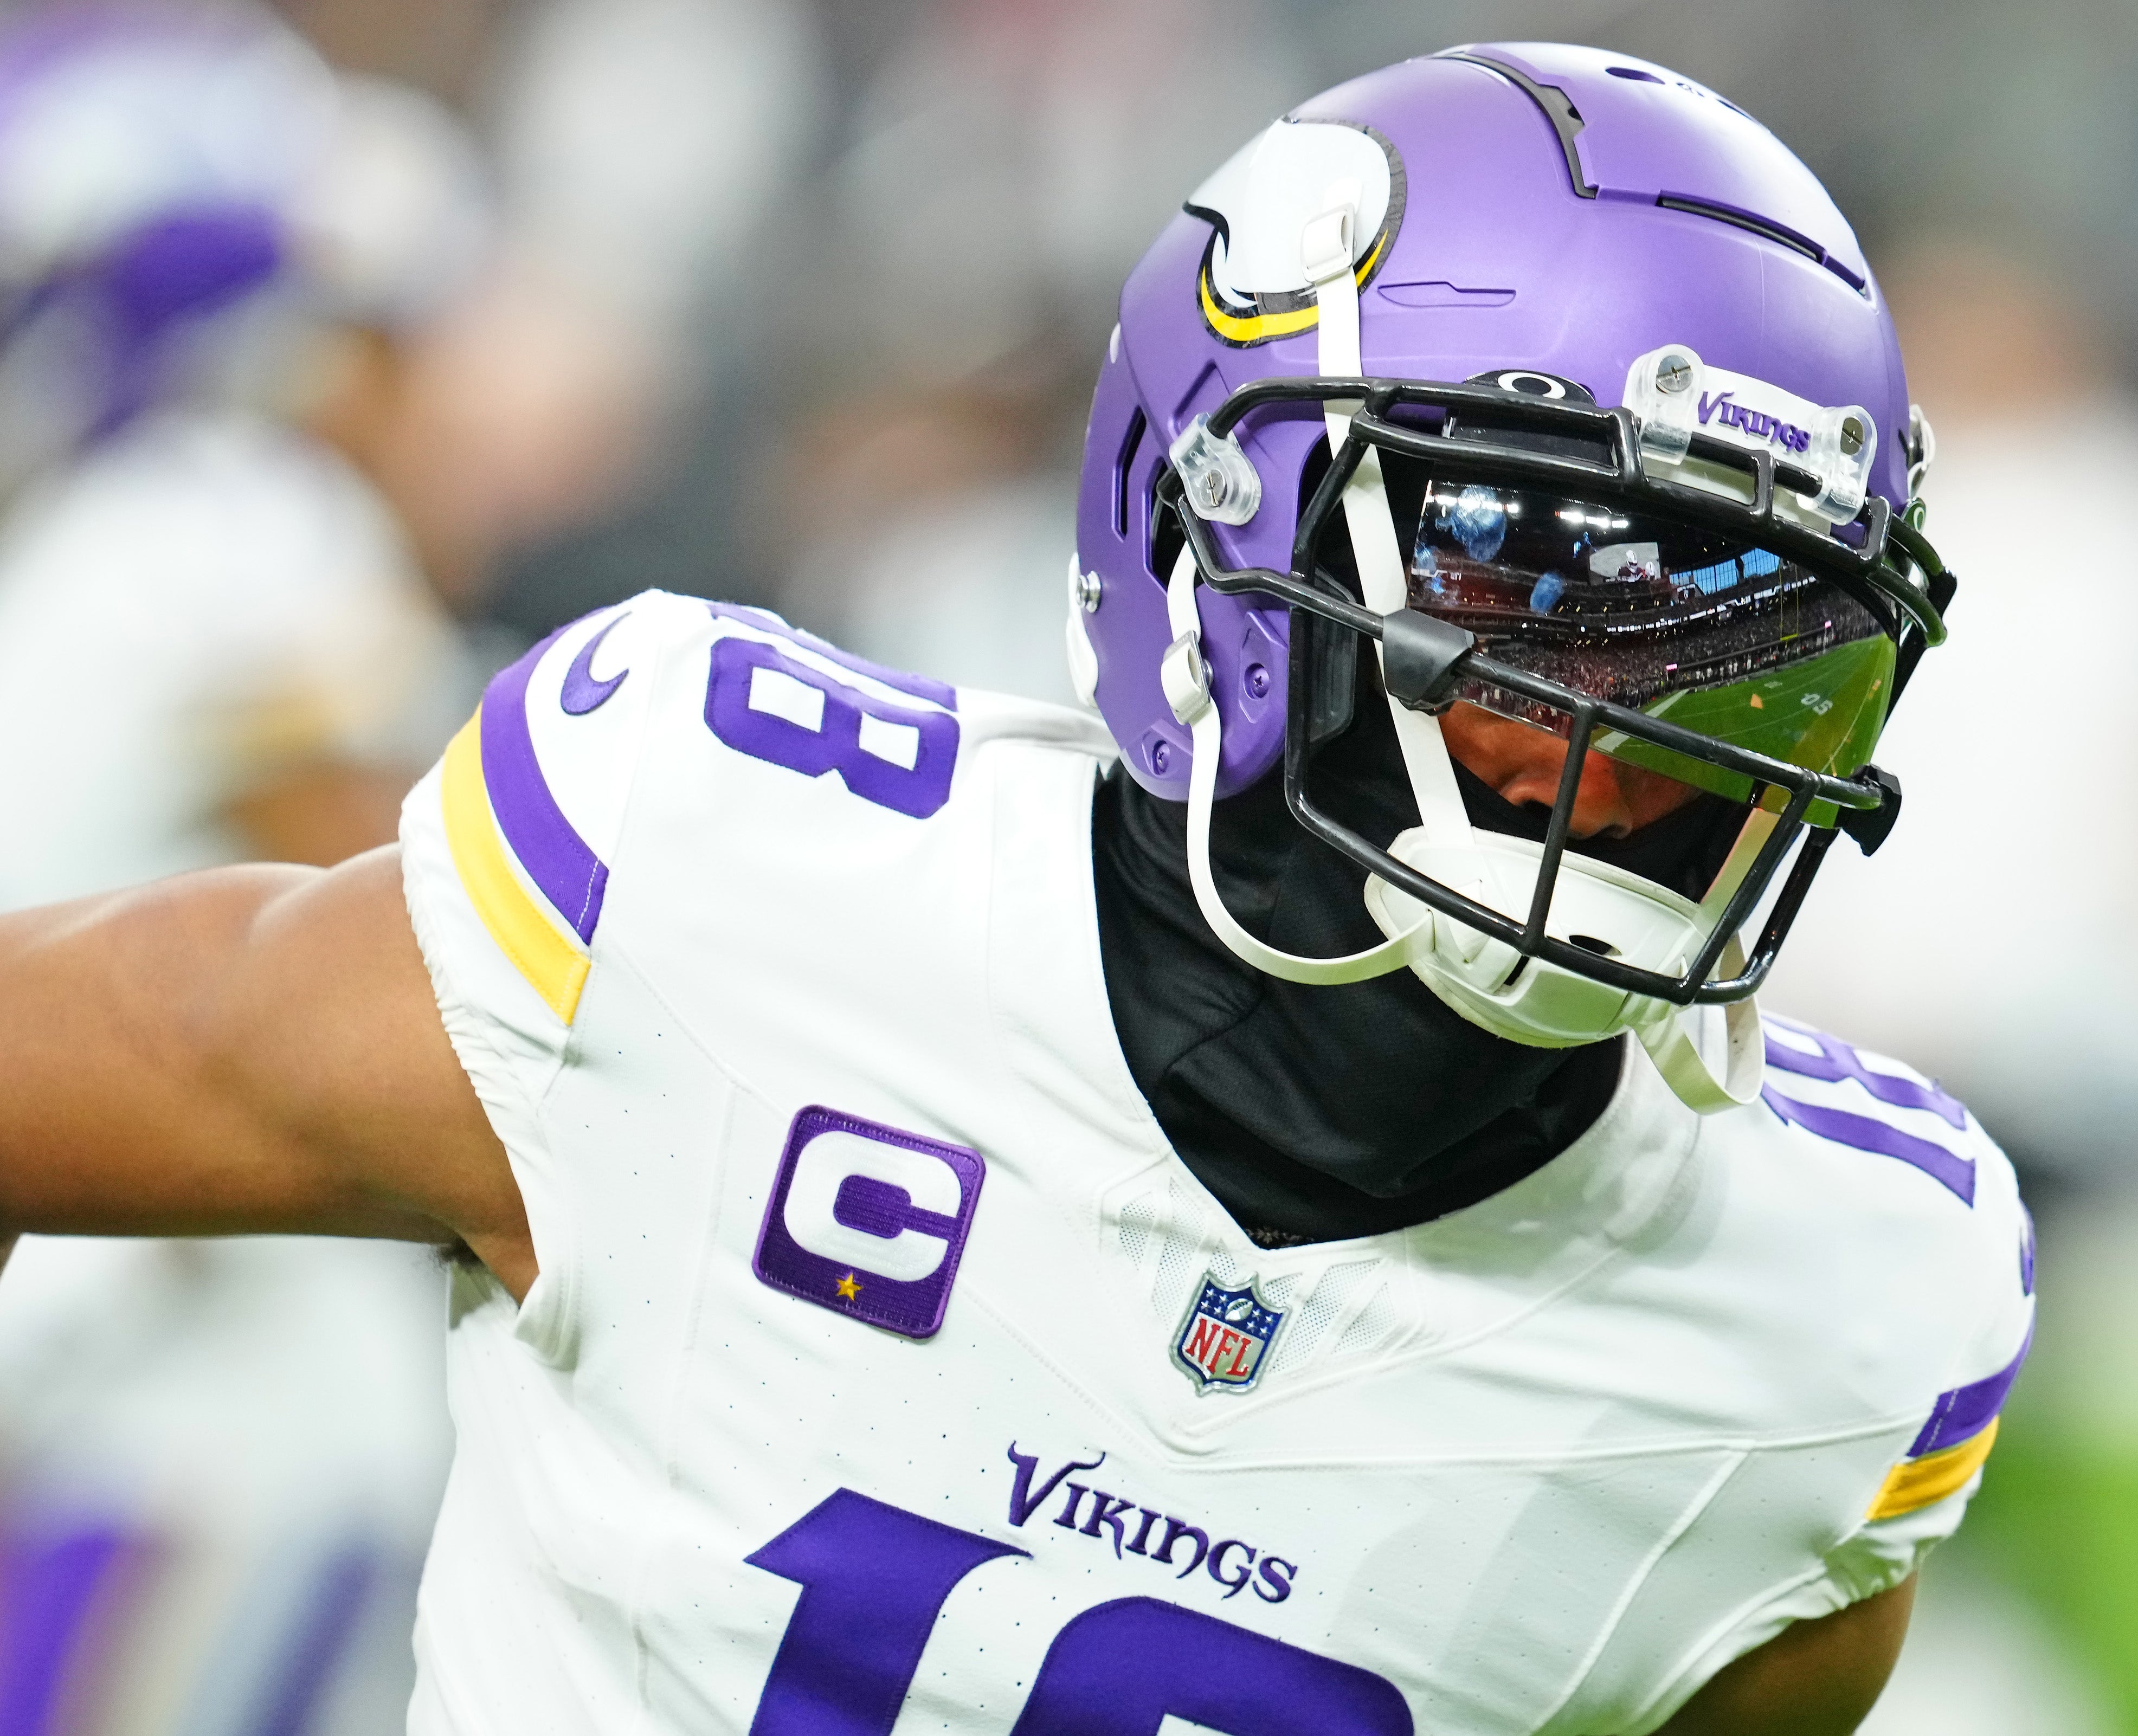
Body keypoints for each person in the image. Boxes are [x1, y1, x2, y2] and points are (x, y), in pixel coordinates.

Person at [0, 44, 2034, 1734]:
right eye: (1543, 597)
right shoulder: (720, 871)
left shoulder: (1833, 1319)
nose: (1636, 761)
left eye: (1758, 659)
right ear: (1223, 518)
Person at [0, 6, 487, 1728]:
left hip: (199, 1408)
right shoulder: (198, 523)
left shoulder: (204, 521)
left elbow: (413, 941)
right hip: (152, 1396)